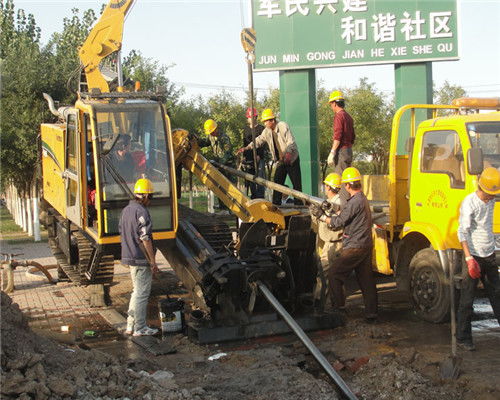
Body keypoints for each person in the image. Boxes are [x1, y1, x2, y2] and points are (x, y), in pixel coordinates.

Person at [312, 167, 377, 321]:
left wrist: (321, 216)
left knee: (334, 274)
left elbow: (337, 222)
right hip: (365, 244)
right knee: (366, 280)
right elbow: (346, 215)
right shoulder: (362, 199)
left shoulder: (355, 202)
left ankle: (339, 309)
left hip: (355, 246)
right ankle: (371, 313)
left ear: (347, 186)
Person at [456, 167, 500, 351]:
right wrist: (468, 258)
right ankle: (463, 338)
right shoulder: (469, 203)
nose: (491, 198)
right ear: (481, 188)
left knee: (497, 296)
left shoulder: (491, 200)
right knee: (467, 300)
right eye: (489, 194)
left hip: (489, 254)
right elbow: (462, 232)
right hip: (473, 257)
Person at [119, 178, 159, 337]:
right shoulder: (141, 212)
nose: (150, 201)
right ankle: (140, 328)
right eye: (151, 197)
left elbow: (122, 232)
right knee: (142, 294)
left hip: (130, 257)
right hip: (141, 258)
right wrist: (153, 261)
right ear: (146, 196)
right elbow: (145, 238)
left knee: (136, 292)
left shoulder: (126, 210)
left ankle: (130, 326)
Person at [237, 109, 302, 205]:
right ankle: (276, 205)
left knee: (296, 184)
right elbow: (259, 140)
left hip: (292, 159)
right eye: (264, 121)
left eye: (266, 121)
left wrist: (288, 153)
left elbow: (291, 142)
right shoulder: (267, 131)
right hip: (281, 160)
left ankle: (299, 205)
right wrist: (247, 147)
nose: (265, 123)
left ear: (272, 120)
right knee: (277, 183)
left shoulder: (283, 126)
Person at [310, 173, 345, 307]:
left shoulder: (337, 204)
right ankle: (337, 305)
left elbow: (335, 223)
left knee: (327, 276)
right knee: (333, 277)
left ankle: (321, 304)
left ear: (329, 188)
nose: (325, 188)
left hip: (335, 245)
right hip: (329, 245)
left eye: (326, 186)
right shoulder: (331, 202)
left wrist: (322, 215)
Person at [327, 91, 355, 175]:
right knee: (347, 178)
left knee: (341, 180)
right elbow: (353, 136)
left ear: (335, 103)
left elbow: (337, 137)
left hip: (341, 152)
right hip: (348, 151)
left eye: (331, 104)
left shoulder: (339, 116)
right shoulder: (348, 116)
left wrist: (332, 152)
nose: (331, 107)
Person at [242, 107, 266, 199]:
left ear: (256, 117)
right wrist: (244, 156)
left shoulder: (261, 128)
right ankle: (254, 196)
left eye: (253, 117)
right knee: (250, 177)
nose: (251, 119)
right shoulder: (246, 129)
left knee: (260, 176)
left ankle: (260, 196)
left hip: (259, 157)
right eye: (249, 117)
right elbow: (244, 142)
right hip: (249, 157)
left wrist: (259, 155)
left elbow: (263, 143)